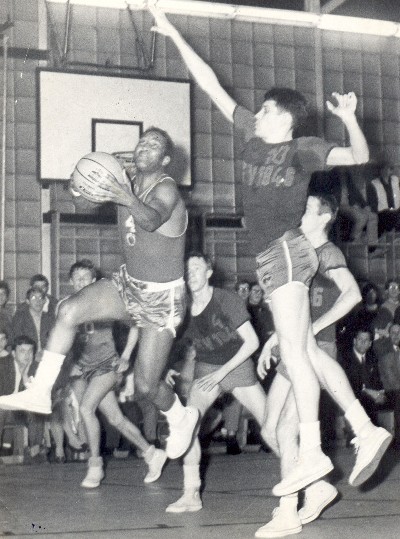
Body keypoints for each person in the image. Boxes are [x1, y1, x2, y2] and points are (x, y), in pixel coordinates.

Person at [149, 6, 372, 499]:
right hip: (269, 259)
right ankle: (348, 437)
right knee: (300, 351)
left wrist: (351, 119)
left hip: (286, 250)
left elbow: (359, 156)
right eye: (263, 108)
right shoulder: (252, 138)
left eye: (271, 108)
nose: (262, 111)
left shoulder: (302, 149)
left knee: (297, 349)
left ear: (288, 119)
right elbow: (211, 84)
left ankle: (314, 451)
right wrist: (174, 34)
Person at [0, 127, 199, 462]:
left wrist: (123, 195)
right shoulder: (125, 176)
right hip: (129, 283)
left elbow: (150, 219)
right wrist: (82, 185)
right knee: (68, 311)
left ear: (165, 160)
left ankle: (180, 415)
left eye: (153, 147)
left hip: (162, 298)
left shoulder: (168, 191)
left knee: (148, 387)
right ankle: (39, 390)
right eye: (141, 143)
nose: (143, 149)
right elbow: (82, 193)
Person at [257, 194, 391, 538]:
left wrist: (313, 328)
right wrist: (276, 337)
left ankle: (287, 510)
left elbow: (352, 294)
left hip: (316, 346)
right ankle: (316, 486)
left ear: (326, 216)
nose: (299, 212)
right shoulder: (295, 251)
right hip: (296, 344)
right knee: (270, 429)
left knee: (286, 430)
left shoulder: (327, 252)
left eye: (308, 208)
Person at [164, 251, 268, 513]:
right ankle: (191, 493)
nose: (192, 273)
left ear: (209, 272)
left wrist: (222, 374)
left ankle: (307, 478)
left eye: (197, 268)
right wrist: (164, 367)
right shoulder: (183, 308)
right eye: (187, 269)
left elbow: (253, 342)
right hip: (207, 368)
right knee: (189, 423)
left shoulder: (226, 299)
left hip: (237, 364)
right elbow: (168, 342)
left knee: (272, 425)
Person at [66, 259, 167, 487]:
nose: (82, 281)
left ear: (93, 281)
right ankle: (151, 453)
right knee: (116, 418)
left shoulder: (106, 304)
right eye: (77, 278)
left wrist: (126, 355)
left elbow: (135, 323)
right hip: (83, 368)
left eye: (86, 277)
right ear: (71, 281)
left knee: (85, 408)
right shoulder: (67, 306)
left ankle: (95, 465)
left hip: (107, 365)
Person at [374, 322, 400, 449]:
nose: (396, 335)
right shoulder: (385, 350)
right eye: (393, 332)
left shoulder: (397, 349)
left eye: (398, 332)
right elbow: (391, 379)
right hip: (389, 390)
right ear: (389, 334)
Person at [367, 160, 400, 236]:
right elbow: (373, 203)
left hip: (396, 211)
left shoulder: (396, 180)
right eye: (383, 169)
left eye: (389, 169)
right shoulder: (373, 183)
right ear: (380, 170)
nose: (386, 171)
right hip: (382, 212)